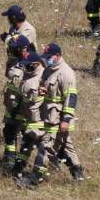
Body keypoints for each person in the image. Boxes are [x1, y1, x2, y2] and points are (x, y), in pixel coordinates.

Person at [40, 44, 83, 182]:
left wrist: (65, 120)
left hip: (59, 119)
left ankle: (35, 177)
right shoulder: (49, 70)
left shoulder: (66, 73)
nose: (47, 60)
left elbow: (71, 99)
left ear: (58, 56)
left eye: (49, 57)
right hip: (48, 116)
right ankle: (77, 171)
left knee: (47, 146)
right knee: (66, 145)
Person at [1, 34, 34, 171]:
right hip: (11, 105)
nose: (12, 51)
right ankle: (9, 158)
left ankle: (53, 159)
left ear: (24, 48)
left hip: (24, 106)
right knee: (9, 130)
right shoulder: (15, 60)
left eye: (16, 48)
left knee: (29, 135)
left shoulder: (31, 63)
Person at [11, 55, 47, 185]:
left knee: (48, 150)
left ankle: (35, 178)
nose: (26, 66)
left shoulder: (44, 77)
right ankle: (17, 170)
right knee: (25, 146)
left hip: (42, 122)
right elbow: (21, 97)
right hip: (31, 122)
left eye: (29, 63)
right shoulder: (27, 76)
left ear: (36, 63)